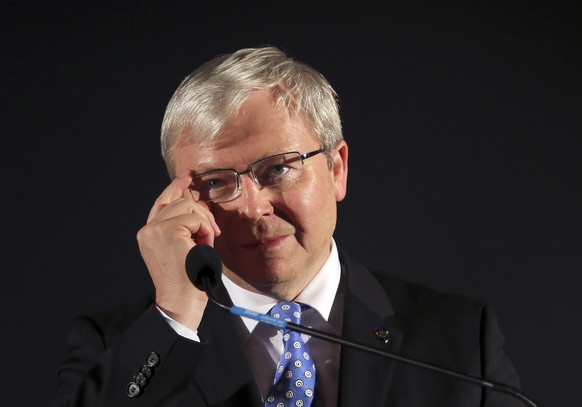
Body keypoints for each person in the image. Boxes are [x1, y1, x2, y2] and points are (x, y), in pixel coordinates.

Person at [51, 46, 522, 407]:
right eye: (217, 183)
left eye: (278, 169)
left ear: (337, 169)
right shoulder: (116, 346)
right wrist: (174, 314)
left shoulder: (459, 341)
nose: (253, 208)